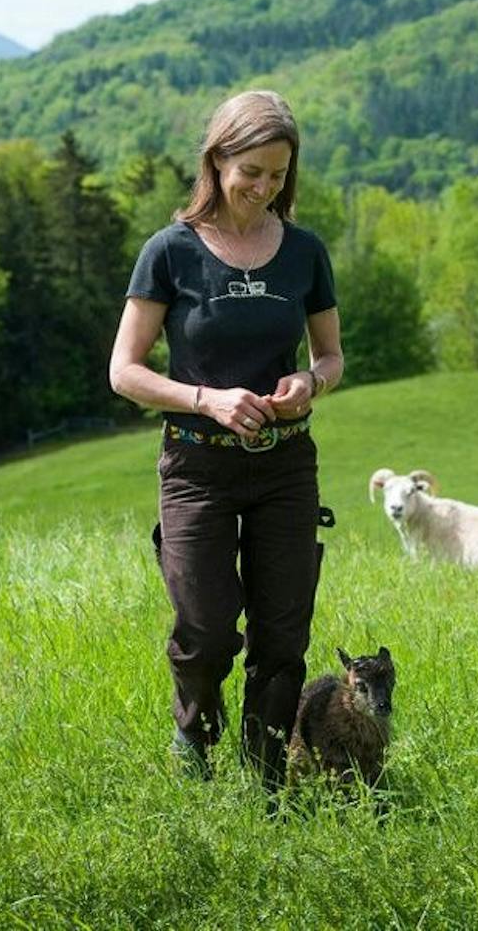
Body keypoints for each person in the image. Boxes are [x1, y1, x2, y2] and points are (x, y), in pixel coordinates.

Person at [109, 90, 343, 790]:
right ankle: (195, 736)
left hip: (284, 465)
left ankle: (267, 769)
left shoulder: (304, 252)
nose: (264, 187)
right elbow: (124, 371)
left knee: (283, 634)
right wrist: (206, 399)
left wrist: (311, 382)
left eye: (278, 174)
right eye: (251, 171)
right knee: (208, 627)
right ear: (217, 160)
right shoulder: (169, 252)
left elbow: (330, 356)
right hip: (196, 466)